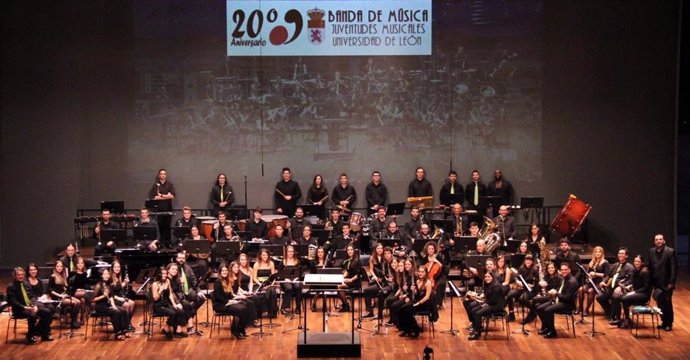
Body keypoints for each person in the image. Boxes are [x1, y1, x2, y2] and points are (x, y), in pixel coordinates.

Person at [6, 267, 55, 343]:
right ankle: (30, 336)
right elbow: (13, 302)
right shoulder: (11, 286)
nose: (21, 276)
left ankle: (44, 334)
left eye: (22, 275)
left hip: (30, 307)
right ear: (14, 275)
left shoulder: (26, 284)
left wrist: (34, 305)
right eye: (18, 275)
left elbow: (32, 296)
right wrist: (26, 307)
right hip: (19, 309)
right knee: (33, 315)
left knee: (47, 312)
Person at [537, 262, 579, 338]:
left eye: (565, 269)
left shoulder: (572, 282)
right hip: (560, 300)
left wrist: (556, 293)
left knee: (547, 310)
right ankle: (547, 327)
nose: (563, 271)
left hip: (567, 304)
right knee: (539, 308)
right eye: (562, 270)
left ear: (569, 270)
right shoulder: (565, 279)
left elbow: (567, 298)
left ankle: (552, 332)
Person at [212, 263, 254, 339]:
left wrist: (234, 299)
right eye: (223, 271)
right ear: (220, 272)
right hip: (220, 305)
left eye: (226, 270)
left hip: (227, 302)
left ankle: (240, 329)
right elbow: (218, 297)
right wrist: (229, 301)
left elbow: (229, 294)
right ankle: (236, 331)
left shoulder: (227, 281)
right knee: (240, 309)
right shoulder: (217, 282)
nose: (225, 272)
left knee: (244, 305)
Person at [597, 247, 634, 322]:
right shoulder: (615, 265)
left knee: (615, 296)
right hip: (611, 287)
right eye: (619, 253)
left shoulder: (629, 267)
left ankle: (617, 318)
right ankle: (611, 313)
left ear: (626, 256)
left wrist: (621, 287)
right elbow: (608, 275)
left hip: (622, 289)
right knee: (599, 297)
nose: (620, 255)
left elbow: (630, 280)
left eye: (622, 253)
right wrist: (604, 281)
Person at [648, 234, 676, 331]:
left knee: (667, 303)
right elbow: (650, 267)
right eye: (656, 240)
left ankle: (669, 323)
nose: (658, 241)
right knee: (660, 303)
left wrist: (671, 283)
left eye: (660, 239)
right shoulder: (651, 251)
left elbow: (673, 268)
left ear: (664, 241)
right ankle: (663, 321)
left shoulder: (670, 251)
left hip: (666, 283)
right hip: (656, 282)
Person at [92, 268, 130, 340]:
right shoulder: (98, 286)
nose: (107, 275)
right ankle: (118, 333)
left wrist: (114, 306)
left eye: (108, 274)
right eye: (105, 274)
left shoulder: (108, 284)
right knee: (116, 312)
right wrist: (103, 296)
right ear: (101, 276)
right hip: (100, 306)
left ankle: (124, 330)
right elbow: (93, 299)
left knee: (123, 311)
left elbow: (111, 297)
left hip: (107, 305)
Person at [397, 265, 434, 338]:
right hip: (417, 301)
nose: (420, 273)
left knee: (408, 311)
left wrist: (418, 303)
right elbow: (417, 294)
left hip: (424, 304)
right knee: (401, 309)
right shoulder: (417, 281)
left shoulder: (428, 283)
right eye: (419, 272)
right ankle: (406, 329)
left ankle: (415, 330)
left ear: (426, 273)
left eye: (422, 272)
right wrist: (413, 290)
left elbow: (427, 297)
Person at [152, 266, 188, 340]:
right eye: (163, 274)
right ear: (159, 274)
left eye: (165, 273)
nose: (164, 275)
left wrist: (174, 304)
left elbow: (170, 294)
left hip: (166, 303)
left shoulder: (167, 281)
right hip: (158, 305)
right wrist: (160, 290)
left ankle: (172, 328)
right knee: (173, 313)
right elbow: (155, 298)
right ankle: (166, 327)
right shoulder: (155, 284)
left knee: (179, 311)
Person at [467, 271, 505, 340]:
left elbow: (494, 300)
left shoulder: (496, 286)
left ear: (492, 277)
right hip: (490, 303)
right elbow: (487, 297)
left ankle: (477, 334)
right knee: (473, 310)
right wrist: (482, 302)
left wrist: (483, 304)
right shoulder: (487, 284)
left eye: (489, 277)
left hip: (496, 306)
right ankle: (476, 329)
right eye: (486, 277)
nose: (487, 278)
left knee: (478, 313)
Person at [619, 255, 651, 328]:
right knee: (623, 299)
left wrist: (634, 292)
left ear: (642, 263)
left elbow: (646, 287)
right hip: (638, 292)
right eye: (635, 261)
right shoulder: (635, 270)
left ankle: (627, 319)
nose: (636, 263)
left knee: (624, 299)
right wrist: (629, 286)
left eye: (638, 261)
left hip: (644, 294)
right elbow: (634, 283)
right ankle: (625, 319)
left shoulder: (645, 272)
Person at [148, 169, 176, 248]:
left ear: (166, 175)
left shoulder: (170, 184)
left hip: (168, 209)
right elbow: (155, 197)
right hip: (159, 210)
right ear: (159, 175)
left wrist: (161, 195)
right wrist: (166, 196)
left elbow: (172, 196)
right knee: (160, 228)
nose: (163, 175)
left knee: (168, 228)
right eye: (161, 174)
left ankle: (168, 244)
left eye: (164, 174)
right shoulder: (155, 185)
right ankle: (160, 244)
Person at [578, 246, 608, 315]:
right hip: (591, 282)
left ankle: (586, 309)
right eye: (596, 252)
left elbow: (606, 274)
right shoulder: (592, 262)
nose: (597, 253)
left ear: (602, 253)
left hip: (599, 282)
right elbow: (588, 273)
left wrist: (595, 274)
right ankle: (580, 308)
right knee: (580, 289)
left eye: (599, 252)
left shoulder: (605, 262)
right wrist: (589, 275)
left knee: (590, 291)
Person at [253, 249, 279, 318]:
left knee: (272, 291)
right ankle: (261, 312)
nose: (265, 256)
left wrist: (270, 285)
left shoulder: (271, 263)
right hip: (259, 283)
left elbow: (273, 277)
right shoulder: (256, 265)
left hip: (269, 283)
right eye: (263, 255)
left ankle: (272, 312)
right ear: (260, 256)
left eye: (266, 255)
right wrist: (261, 285)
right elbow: (254, 278)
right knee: (260, 294)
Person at [110, 260, 135, 331]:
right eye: (115, 267)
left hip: (119, 296)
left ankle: (127, 323)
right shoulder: (110, 277)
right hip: (113, 298)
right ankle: (125, 326)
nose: (117, 268)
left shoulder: (118, 276)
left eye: (118, 267)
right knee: (127, 305)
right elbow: (110, 292)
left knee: (132, 303)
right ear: (112, 268)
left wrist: (124, 282)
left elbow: (118, 288)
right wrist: (118, 298)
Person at [280, 245, 305, 315]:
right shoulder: (282, 262)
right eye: (289, 251)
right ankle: (284, 307)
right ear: (286, 252)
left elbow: (301, 273)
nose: (290, 253)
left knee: (298, 287)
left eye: (292, 251)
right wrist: (285, 279)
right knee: (289, 288)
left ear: (294, 252)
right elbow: (279, 274)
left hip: (295, 280)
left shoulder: (298, 262)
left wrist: (297, 278)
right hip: (285, 280)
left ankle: (298, 307)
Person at [337, 244, 362, 312]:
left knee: (339, 287)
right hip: (349, 280)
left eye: (351, 250)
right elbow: (347, 271)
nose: (349, 251)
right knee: (337, 285)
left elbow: (359, 274)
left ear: (354, 251)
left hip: (355, 282)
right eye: (348, 250)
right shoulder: (348, 260)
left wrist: (351, 280)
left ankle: (346, 305)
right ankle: (345, 304)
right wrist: (342, 277)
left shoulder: (357, 260)